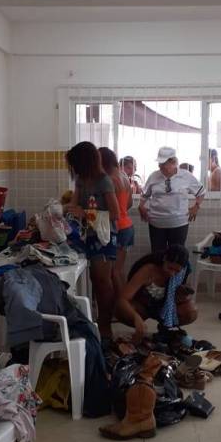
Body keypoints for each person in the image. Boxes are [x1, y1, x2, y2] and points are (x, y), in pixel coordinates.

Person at [65, 142, 120, 339]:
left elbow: (115, 214)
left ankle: (106, 326)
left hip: (104, 237)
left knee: (103, 281)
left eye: (75, 164)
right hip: (88, 234)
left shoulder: (104, 181)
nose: (73, 169)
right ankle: (98, 321)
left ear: (84, 162)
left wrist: (85, 213)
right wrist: (60, 210)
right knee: (95, 280)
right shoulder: (81, 180)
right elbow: (74, 205)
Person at [115, 245, 196, 342]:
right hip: (143, 307)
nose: (172, 274)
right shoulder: (148, 270)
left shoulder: (182, 273)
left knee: (190, 312)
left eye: (176, 271)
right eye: (170, 268)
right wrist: (136, 318)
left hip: (162, 308)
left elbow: (179, 297)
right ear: (164, 259)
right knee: (121, 310)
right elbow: (122, 299)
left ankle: (164, 328)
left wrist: (181, 293)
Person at [139, 146, 205, 253]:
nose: (160, 166)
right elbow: (144, 195)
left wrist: (196, 207)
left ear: (173, 162)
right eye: (159, 163)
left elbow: (201, 192)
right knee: (157, 255)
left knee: (176, 256)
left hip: (179, 224)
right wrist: (141, 206)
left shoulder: (186, 176)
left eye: (164, 163)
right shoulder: (153, 176)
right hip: (156, 224)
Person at [99, 147, 134, 297]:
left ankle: (121, 304)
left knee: (114, 271)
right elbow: (130, 203)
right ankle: (125, 302)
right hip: (127, 226)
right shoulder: (124, 177)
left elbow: (107, 209)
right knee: (118, 270)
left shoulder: (109, 180)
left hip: (117, 228)